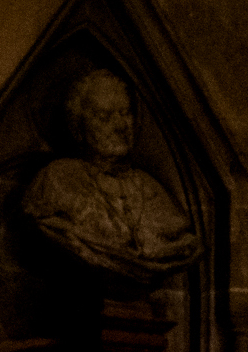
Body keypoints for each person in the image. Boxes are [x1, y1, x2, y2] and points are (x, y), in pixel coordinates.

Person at [21, 69, 200, 286]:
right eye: (104, 117)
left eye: (125, 113)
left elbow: (184, 243)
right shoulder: (57, 179)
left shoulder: (151, 187)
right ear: (78, 127)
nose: (121, 126)